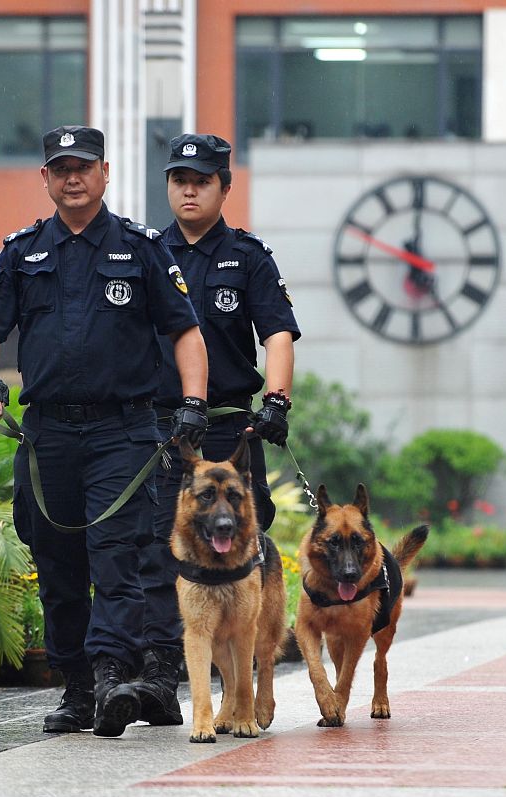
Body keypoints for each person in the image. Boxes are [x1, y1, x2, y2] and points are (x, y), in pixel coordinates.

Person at [0, 125, 209, 738]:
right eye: (61, 168)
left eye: (84, 167)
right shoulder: (23, 252)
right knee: (58, 566)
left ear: (105, 174)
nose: (73, 178)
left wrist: (193, 402)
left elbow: (185, 331)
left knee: (116, 558)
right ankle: (76, 687)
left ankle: (111, 680)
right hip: (47, 440)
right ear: (45, 179)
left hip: (121, 434)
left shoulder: (141, 247)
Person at [133, 133, 300, 726]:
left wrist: (276, 400)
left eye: (202, 180)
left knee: (241, 548)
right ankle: (158, 676)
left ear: (224, 187)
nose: (189, 189)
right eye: (179, 179)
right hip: (161, 425)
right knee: (159, 544)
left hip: (230, 427)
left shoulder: (248, 256)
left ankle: (243, 691)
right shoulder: (145, 251)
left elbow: (277, 331)